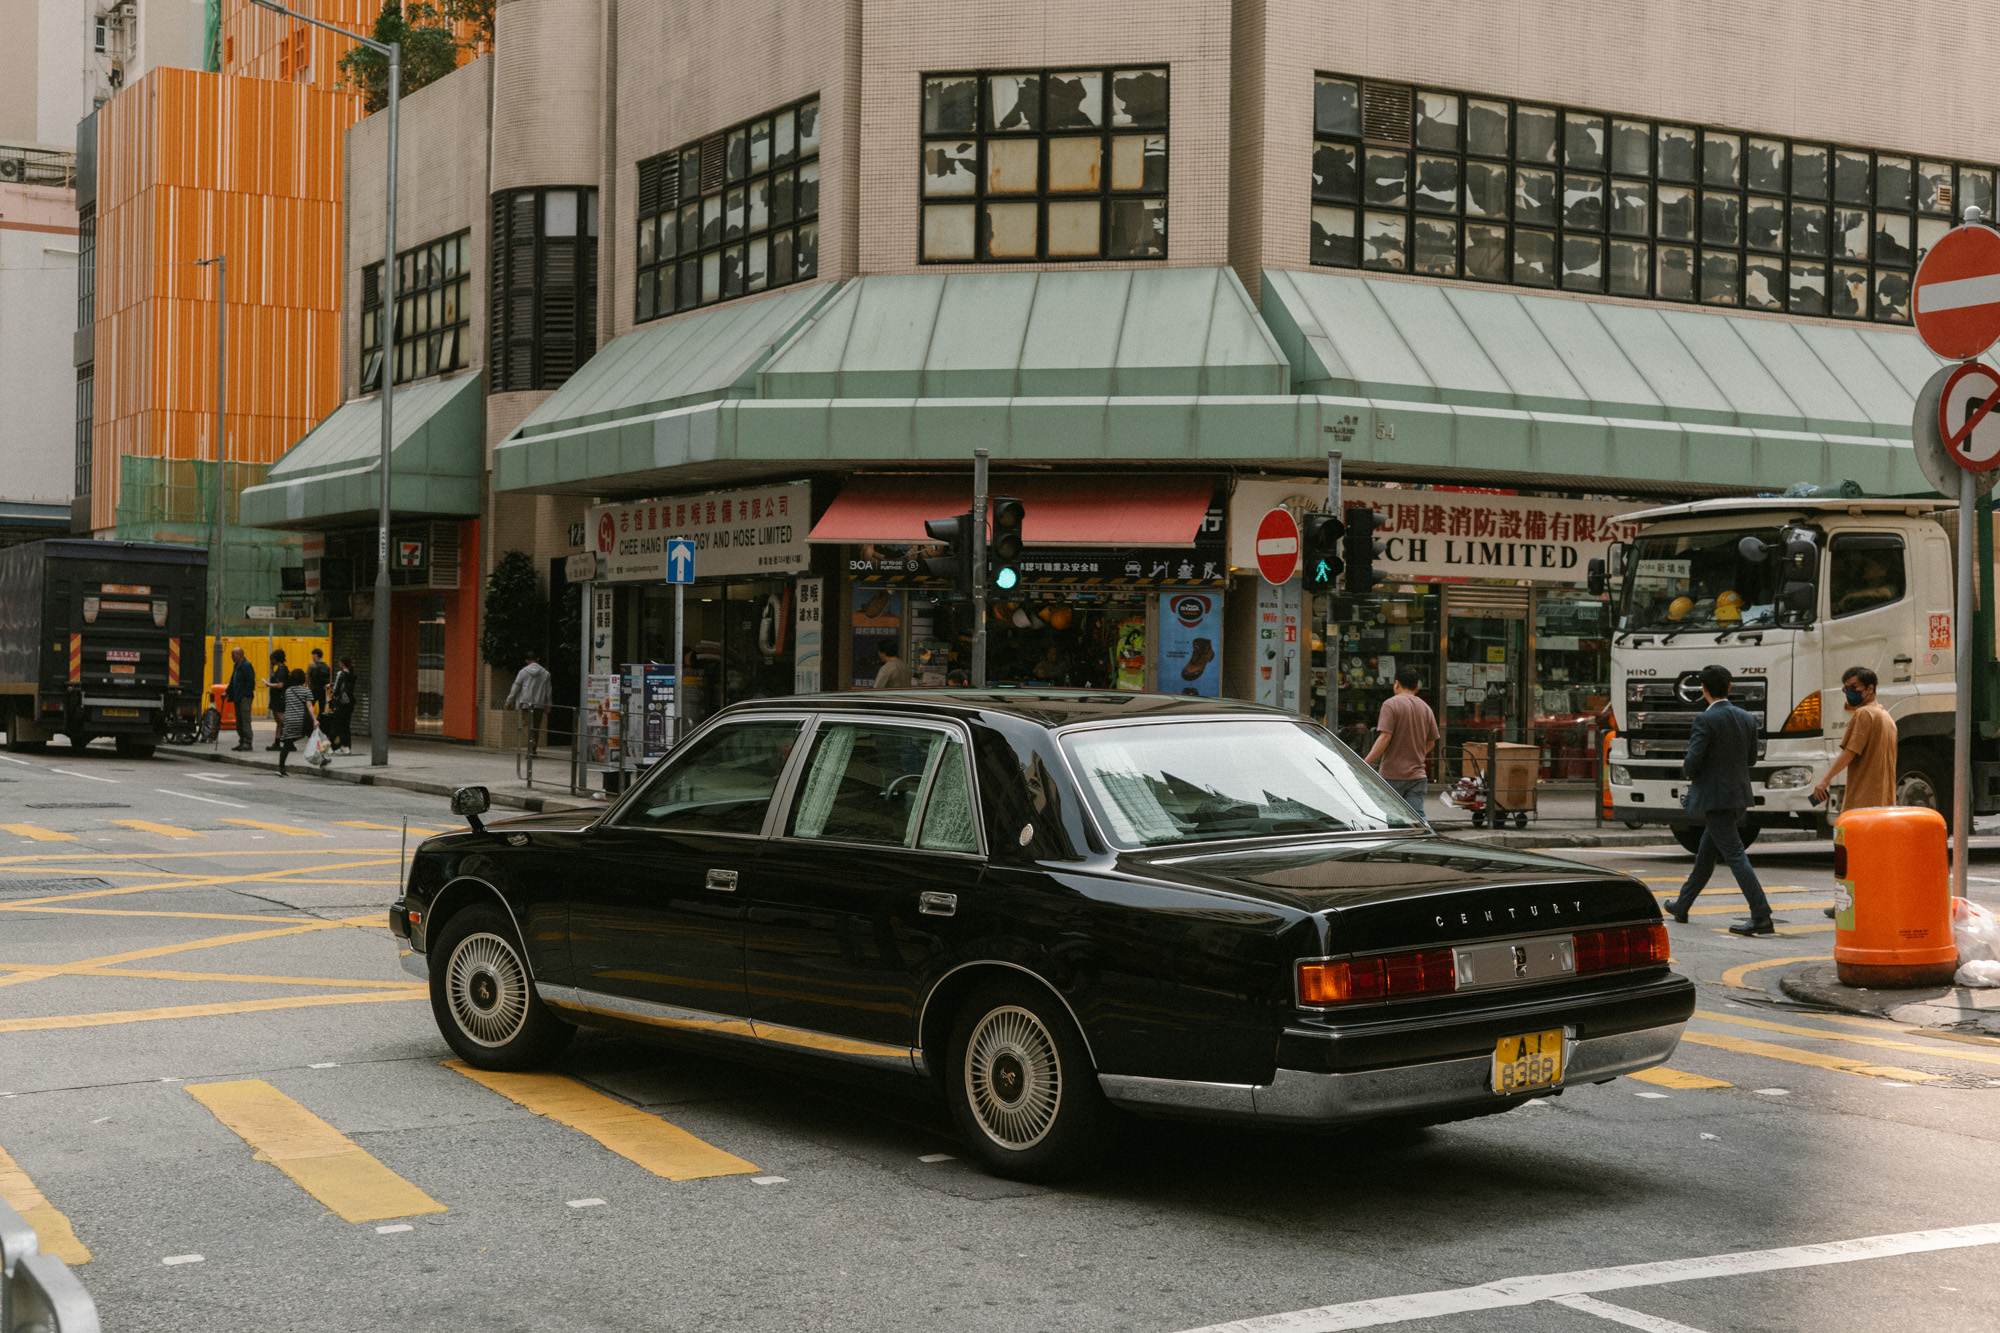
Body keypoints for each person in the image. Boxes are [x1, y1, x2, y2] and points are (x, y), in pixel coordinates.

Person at [1662, 664, 1775, 936]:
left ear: (1703, 689)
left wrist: (1687, 769)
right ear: (1730, 687)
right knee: (1706, 855)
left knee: (1735, 855)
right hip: (1738, 796)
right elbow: (1751, 759)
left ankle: (1761, 915)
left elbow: (1693, 761)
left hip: (1715, 798)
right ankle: (1682, 904)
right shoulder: (1746, 718)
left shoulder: (1705, 719)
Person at [1814, 665, 1899, 916]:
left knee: (1853, 857)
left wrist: (1824, 780)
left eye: (1854, 688)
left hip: (1862, 802)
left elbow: (1849, 752)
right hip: (1883, 801)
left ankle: (1849, 904)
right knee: (1874, 859)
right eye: (1846, 689)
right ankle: (1870, 903)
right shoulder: (1886, 717)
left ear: (1870, 689)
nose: (1849, 693)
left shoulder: (1863, 715)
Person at [1364, 665, 1439, 818]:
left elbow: (1385, 737)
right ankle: (1423, 833)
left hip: (1392, 774)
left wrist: (1366, 762)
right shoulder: (1426, 708)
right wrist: (1416, 755)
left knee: (1392, 818)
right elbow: (1431, 742)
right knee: (1417, 818)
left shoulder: (1390, 704)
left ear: (1396, 684)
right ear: (1417, 687)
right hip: (1417, 776)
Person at [503, 650, 553, 754]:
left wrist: (509, 701)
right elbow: (548, 690)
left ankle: (531, 746)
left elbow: (516, 686)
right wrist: (548, 705)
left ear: (526, 660)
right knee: (536, 726)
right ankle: (533, 746)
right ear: (538, 659)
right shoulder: (546, 674)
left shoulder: (523, 672)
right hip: (539, 704)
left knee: (528, 724)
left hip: (525, 703)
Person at [275, 667, 318, 776]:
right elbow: (309, 706)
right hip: (302, 720)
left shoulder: (288, 691)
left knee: (286, 745)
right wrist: (314, 720)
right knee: (315, 738)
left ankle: (281, 767)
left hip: (289, 720)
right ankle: (323, 759)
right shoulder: (306, 691)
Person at [225, 646, 258, 752]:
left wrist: (245, 694)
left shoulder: (246, 666)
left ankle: (247, 743)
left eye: (233, 655)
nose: (232, 657)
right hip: (237, 697)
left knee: (245, 721)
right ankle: (242, 742)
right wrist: (227, 692)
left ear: (239, 655)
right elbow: (233, 681)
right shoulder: (237, 666)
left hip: (244, 698)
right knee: (239, 722)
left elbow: (251, 682)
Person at [325, 656, 356, 754]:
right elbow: (344, 685)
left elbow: (337, 688)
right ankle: (345, 747)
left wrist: (332, 697)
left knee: (335, 724)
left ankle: (328, 746)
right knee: (345, 725)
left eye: (339, 662)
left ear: (342, 663)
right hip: (349, 703)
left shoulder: (340, 673)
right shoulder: (352, 674)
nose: (338, 664)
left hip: (341, 703)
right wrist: (332, 684)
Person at [264, 650, 289, 750]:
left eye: (272, 659)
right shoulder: (279, 669)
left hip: (279, 698)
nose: (271, 661)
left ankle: (288, 740)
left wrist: (269, 685)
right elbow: (273, 677)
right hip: (276, 697)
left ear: (276, 659)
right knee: (278, 721)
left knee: (281, 720)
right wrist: (271, 668)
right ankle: (277, 742)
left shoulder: (282, 670)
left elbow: (280, 685)